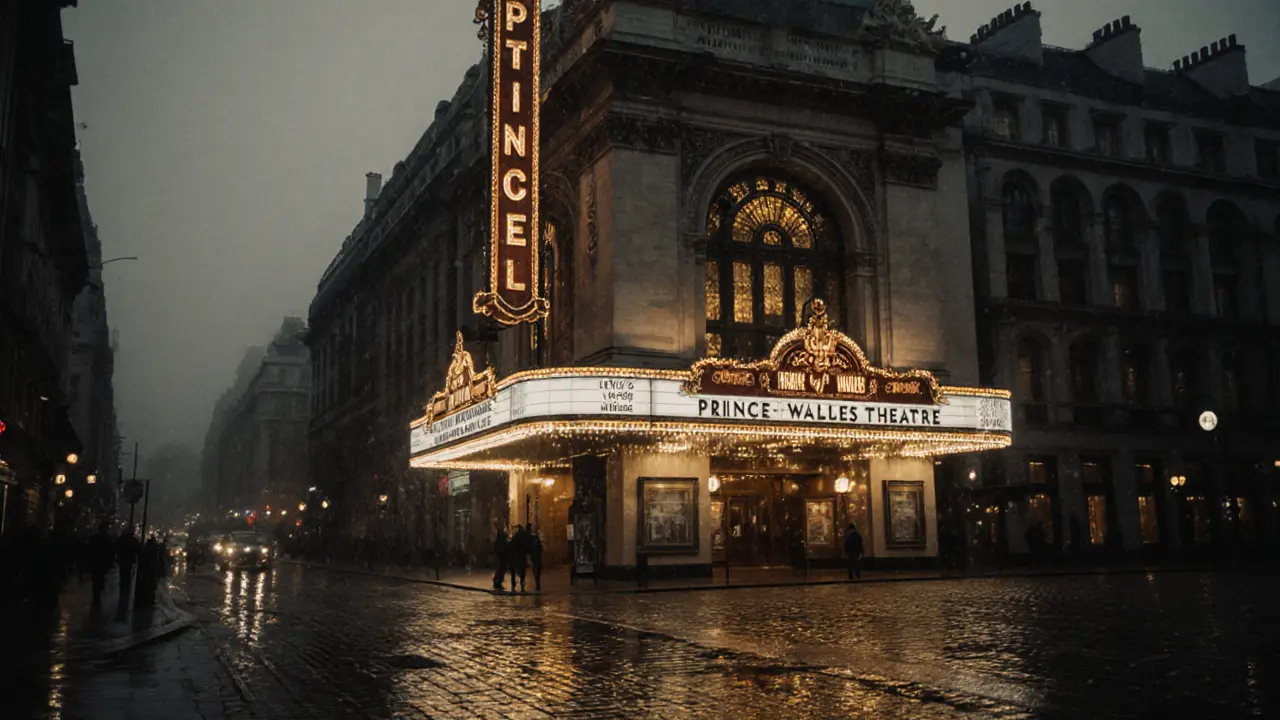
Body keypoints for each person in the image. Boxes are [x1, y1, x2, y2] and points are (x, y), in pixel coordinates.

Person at [88, 522, 115, 608]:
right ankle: (97, 598)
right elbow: (111, 552)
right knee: (99, 581)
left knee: (96, 582)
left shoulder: (95, 538)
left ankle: (96, 598)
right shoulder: (107, 539)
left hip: (96, 563)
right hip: (101, 563)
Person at [116, 528, 139, 598]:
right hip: (129, 560)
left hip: (122, 560)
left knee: (122, 574)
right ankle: (126, 590)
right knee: (127, 575)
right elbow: (138, 549)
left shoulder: (121, 540)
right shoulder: (133, 540)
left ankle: (122, 590)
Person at [509, 524, 530, 593]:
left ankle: (514, 585)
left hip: (515, 555)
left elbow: (512, 544)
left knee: (514, 571)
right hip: (521, 555)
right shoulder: (524, 534)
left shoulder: (516, 536)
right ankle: (522, 586)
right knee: (522, 571)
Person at [492, 526, 510, 591]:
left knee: (501, 569)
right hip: (502, 556)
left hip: (502, 556)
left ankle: (497, 581)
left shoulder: (500, 540)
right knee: (501, 569)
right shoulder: (501, 540)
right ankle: (497, 582)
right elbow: (499, 548)